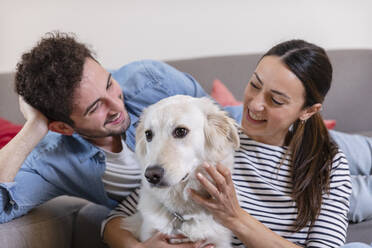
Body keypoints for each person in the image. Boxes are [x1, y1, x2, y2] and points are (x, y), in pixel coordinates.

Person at [102, 40, 372, 248]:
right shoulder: (213, 144)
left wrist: (233, 217)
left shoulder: (330, 164)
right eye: (255, 85)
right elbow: (116, 219)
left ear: (308, 111)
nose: (254, 105)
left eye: (276, 100)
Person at [0, 30, 239, 234]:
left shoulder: (152, 79)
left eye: (109, 84)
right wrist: (33, 127)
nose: (117, 106)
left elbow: (224, 128)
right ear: (62, 127)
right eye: (96, 107)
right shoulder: (51, 160)